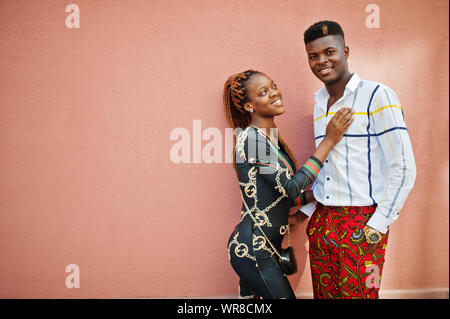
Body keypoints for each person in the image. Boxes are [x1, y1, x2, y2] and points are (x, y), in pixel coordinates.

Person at [296, 21, 417, 299]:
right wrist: (305, 213)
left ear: (346, 51)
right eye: (313, 56)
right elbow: (329, 171)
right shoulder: (319, 105)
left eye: (329, 52)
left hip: (361, 221)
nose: (321, 61)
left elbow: (405, 166)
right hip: (323, 221)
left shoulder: (377, 95)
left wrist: (378, 224)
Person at [223, 69, 354, 299]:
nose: (274, 93)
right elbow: (292, 187)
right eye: (263, 92)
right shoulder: (251, 139)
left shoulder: (269, 140)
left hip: (264, 249)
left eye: (273, 85)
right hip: (253, 249)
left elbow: (287, 197)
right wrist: (329, 140)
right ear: (248, 106)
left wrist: (321, 193)